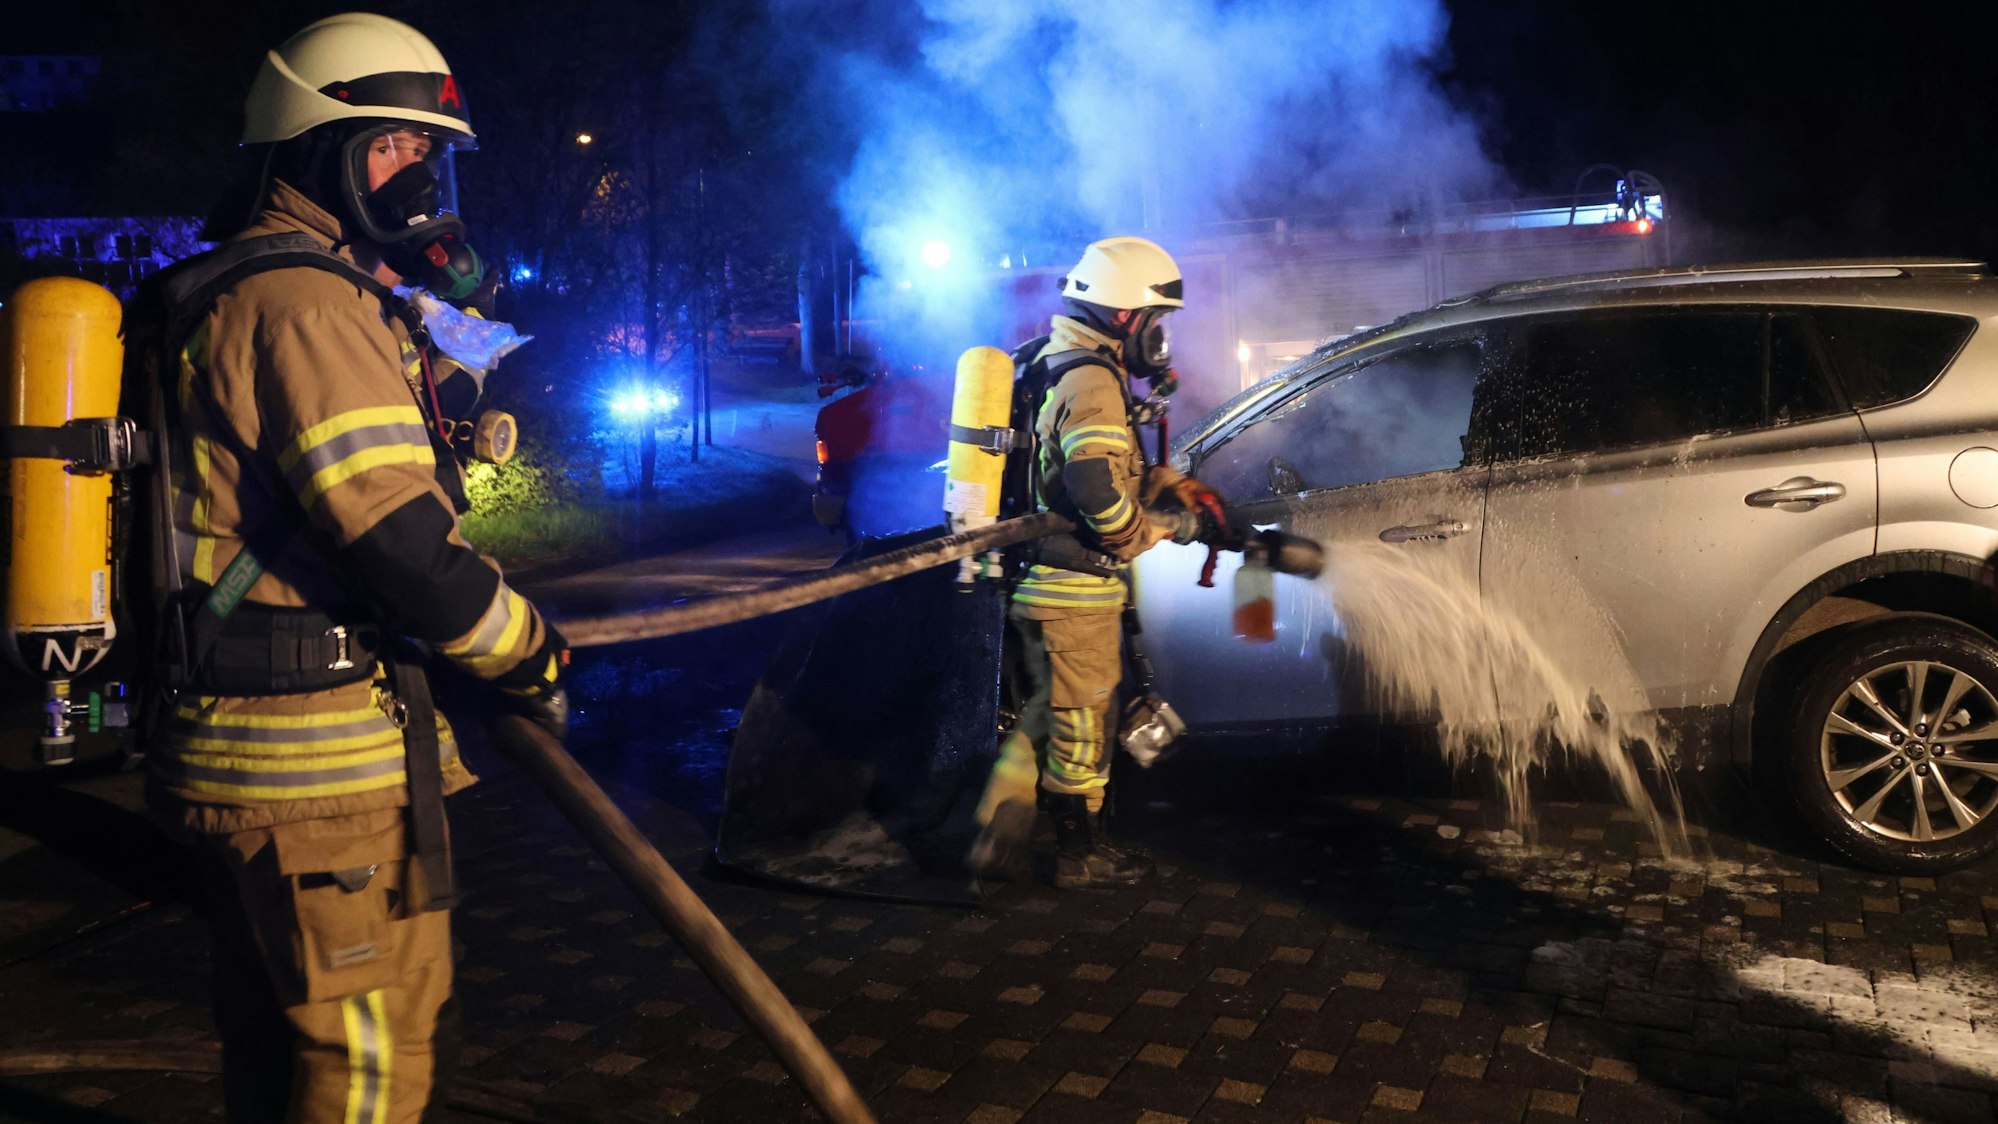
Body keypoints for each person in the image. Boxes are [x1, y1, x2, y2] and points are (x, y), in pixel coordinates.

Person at [145, 14, 565, 1121]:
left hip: (251, 759)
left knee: (277, 1055)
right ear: (317, 148)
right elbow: (401, 544)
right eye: (392, 147)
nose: (420, 173)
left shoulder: (258, 286)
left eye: (432, 150)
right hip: (319, 783)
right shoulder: (308, 303)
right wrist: (532, 656)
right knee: (369, 1065)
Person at [969, 236, 1224, 889]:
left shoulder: (1056, 358)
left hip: (1040, 580)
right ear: (1123, 316)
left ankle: (993, 839)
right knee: (1083, 722)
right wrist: (1152, 530)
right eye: (1156, 321)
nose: (1161, 338)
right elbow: (1092, 488)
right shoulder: (1091, 378)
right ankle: (1082, 855)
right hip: (1073, 588)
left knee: (1045, 717)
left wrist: (1163, 478)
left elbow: (1082, 465)